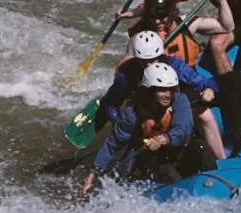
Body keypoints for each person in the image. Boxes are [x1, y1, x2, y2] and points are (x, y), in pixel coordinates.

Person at [81, 63, 215, 195]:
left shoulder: (180, 100)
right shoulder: (133, 113)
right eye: (162, 90)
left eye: (171, 89)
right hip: (155, 159)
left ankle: (217, 184)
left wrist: (163, 139)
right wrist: (93, 174)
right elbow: (113, 143)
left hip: (180, 152)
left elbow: (183, 131)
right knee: (167, 171)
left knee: (201, 147)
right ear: (150, 91)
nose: (168, 94)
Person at [95, 30, 227, 160]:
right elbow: (111, 104)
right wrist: (117, 123)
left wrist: (209, 89)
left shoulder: (173, 65)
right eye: (144, 61)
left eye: (152, 59)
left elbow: (206, 82)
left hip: (169, 110)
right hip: (143, 116)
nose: (148, 65)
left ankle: (220, 160)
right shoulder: (127, 74)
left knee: (204, 115)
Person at [117, 0, 235, 65]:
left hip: (187, 79)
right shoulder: (140, 36)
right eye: (153, 17)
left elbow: (226, 27)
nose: (157, 22)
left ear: (172, 13)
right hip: (158, 88)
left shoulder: (185, 24)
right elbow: (126, 62)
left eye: (162, 16)